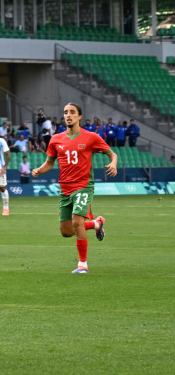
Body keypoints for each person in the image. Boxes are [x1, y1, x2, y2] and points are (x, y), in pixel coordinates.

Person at [32, 103, 116, 274]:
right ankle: (96, 223)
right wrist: (39, 170)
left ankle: (82, 265)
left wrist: (113, 163)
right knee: (66, 231)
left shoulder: (91, 137)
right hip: (65, 189)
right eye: (65, 113)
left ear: (79, 116)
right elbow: (49, 163)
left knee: (77, 221)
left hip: (84, 186)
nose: (68, 115)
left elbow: (111, 153)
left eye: (72, 112)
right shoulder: (56, 139)